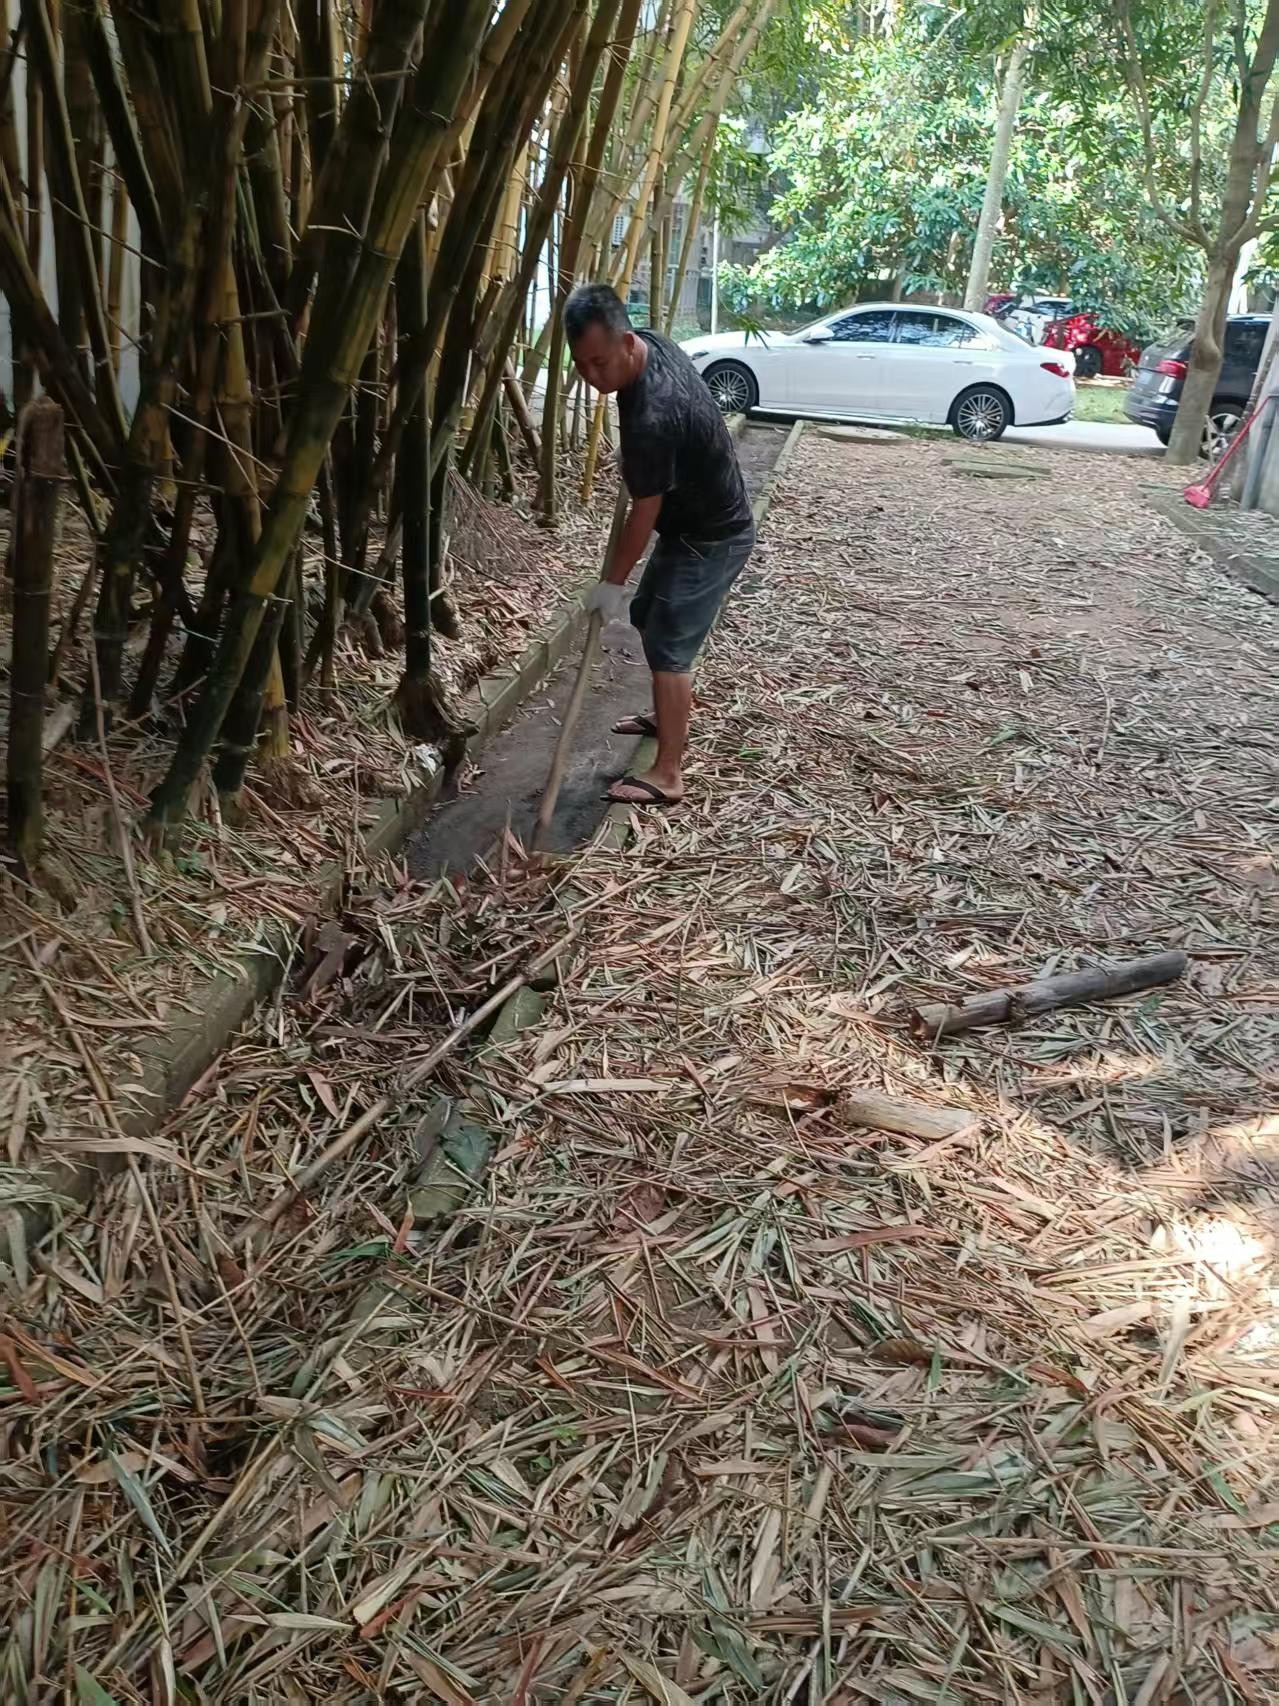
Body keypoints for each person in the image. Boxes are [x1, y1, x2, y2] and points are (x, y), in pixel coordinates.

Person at [564, 282, 755, 805]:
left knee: (670, 644)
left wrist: (611, 583)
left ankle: (668, 773)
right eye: (581, 365)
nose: (591, 376)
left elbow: (644, 514)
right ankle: (666, 713)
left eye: (600, 363)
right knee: (649, 614)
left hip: (713, 534)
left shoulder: (653, 415)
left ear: (627, 343)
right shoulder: (652, 343)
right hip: (692, 516)